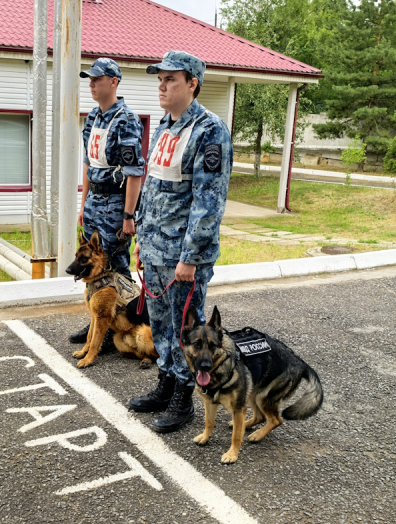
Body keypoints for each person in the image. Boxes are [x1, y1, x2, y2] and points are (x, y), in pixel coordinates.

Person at [128, 51, 233, 433]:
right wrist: (141, 236)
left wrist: (190, 257)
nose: (161, 84)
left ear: (192, 83)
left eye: (170, 79)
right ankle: (165, 384)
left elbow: (209, 203)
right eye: (160, 78)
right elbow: (153, 186)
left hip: (182, 259)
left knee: (185, 331)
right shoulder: (165, 127)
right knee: (160, 327)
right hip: (155, 251)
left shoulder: (209, 131)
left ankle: (184, 398)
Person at [68, 58, 146, 345]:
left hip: (115, 202)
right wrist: (83, 204)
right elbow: (88, 164)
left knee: (116, 267)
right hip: (94, 202)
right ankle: (97, 324)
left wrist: (128, 215)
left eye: (97, 79)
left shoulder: (126, 120)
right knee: (95, 269)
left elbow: (134, 172)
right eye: (89, 78)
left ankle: (124, 325)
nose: (91, 83)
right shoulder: (92, 117)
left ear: (113, 82)